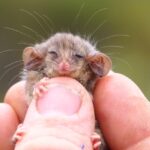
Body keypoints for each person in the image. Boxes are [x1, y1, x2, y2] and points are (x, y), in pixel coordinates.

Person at [1, 71, 150, 150]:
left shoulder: (95, 88)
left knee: (98, 136)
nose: (64, 65)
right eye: (54, 54)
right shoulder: (36, 80)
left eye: (76, 56)